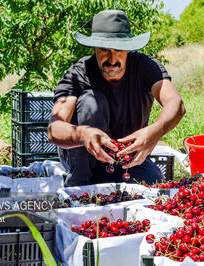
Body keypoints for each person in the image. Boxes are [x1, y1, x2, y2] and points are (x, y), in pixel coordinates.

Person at [48, 10, 185, 186]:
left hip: (127, 156)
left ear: (128, 48)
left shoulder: (145, 67)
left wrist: (155, 131)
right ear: (95, 48)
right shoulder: (79, 73)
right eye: (104, 49)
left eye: (119, 49)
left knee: (155, 185)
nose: (112, 58)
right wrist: (82, 134)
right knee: (92, 100)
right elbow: (55, 128)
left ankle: (121, 171)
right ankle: (80, 181)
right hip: (84, 159)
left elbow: (175, 103)